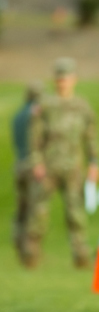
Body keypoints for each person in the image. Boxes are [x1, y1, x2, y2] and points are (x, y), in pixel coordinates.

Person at [22, 58, 99, 268]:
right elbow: (35, 137)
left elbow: (91, 136)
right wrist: (37, 162)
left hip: (73, 167)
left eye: (66, 77)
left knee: (76, 214)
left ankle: (81, 256)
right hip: (48, 167)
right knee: (38, 213)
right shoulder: (45, 106)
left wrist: (94, 162)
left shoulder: (82, 106)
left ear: (73, 79)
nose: (62, 82)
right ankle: (30, 256)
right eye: (59, 77)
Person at [11, 82, 43, 257]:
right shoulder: (35, 115)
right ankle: (30, 251)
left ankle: (17, 241)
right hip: (32, 166)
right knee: (34, 208)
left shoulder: (18, 115)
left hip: (19, 164)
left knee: (21, 208)